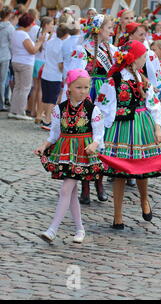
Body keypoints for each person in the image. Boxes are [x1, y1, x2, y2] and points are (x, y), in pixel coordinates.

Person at [96, 40, 161, 229]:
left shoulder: (143, 79)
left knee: (141, 168)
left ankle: (144, 200)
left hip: (140, 126)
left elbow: (153, 104)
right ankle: (117, 215)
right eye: (144, 57)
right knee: (119, 171)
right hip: (120, 128)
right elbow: (102, 107)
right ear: (134, 59)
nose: (146, 60)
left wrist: (157, 129)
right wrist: (100, 133)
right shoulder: (114, 80)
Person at [34, 69, 105, 244]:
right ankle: (80, 229)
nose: (83, 91)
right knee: (71, 193)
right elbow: (54, 134)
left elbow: (99, 133)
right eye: (79, 87)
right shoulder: (59, 109)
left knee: (66, 190)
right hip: (65, 152)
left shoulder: (92, 109)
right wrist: (44, 145)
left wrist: (95, 144)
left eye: (86, 87)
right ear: (70, 87)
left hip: (82, 153)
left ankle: (52, 230)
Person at [69, 14, 117, 204]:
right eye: (109, 28)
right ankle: (86, 187)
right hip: (90, 93)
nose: (112, 32)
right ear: (98, 30)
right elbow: (76, 76)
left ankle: (99, 182)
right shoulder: (83, 50)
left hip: (106, 94)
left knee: (101, 138)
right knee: (86, 138)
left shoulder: (111, 49)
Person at [9, 13, 45, 120]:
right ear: (28, 24)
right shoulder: (24, 35)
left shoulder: (15, 33)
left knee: (18, 87)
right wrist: (40, 42)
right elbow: (33, 50)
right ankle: (20, 111)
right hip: (25, 63)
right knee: (25, 88)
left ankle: (13, 110)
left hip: (16, 61)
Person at [40, 24, 70, 130]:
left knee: (45, 97)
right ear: (66, 34)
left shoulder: (50, 41)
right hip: (55, 75)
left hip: (46, 72)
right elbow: (60, 64)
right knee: (53, 99)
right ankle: (48, 120)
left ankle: (43, 117)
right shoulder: (62, 46)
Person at [0, 5, 14, 112]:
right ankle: (1, 104)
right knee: (2, 81)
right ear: (9, 15)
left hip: (4, 54)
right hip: (5, 56)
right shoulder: (10, 28)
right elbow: (12, 44)